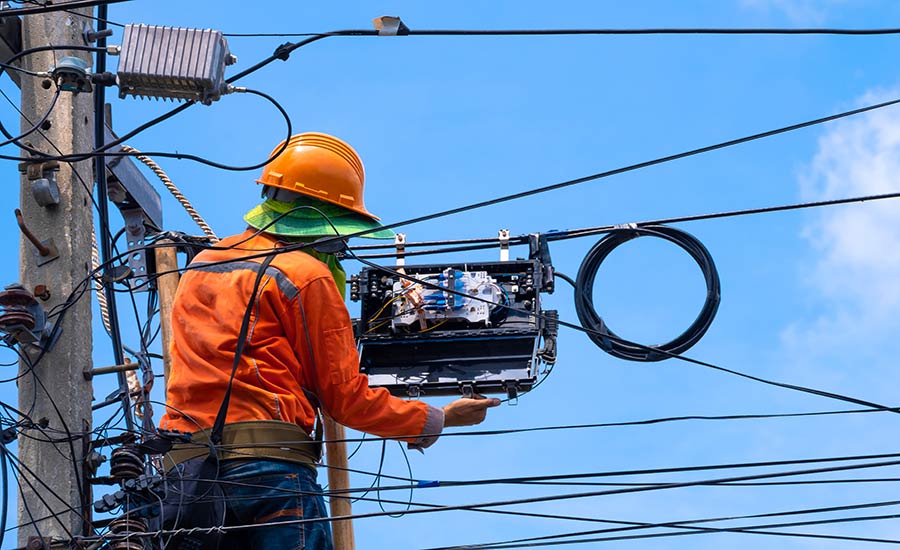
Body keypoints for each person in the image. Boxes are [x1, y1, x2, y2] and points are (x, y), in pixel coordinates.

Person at [158, 132, 500, 548]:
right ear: (326, 220)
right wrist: (437, 419)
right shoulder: (305, 276)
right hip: (270, 471)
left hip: (186, 474)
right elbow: (346, 399)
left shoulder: (200, 266)